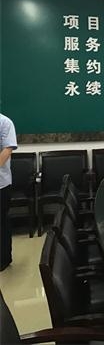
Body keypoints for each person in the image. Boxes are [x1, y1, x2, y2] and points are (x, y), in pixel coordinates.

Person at [0, 113, 17, 271]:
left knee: (1, 222)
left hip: (1, 184)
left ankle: (3, 259)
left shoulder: (5, 122)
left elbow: (7, 149)